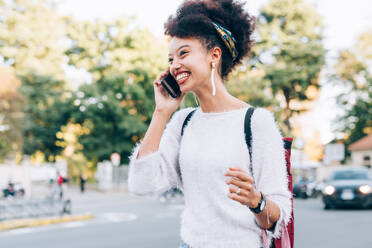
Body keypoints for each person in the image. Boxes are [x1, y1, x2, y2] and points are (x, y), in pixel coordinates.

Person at [128, 1, 291, 247]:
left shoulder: (256, 122)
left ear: (214, 55)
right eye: (171, 58)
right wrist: (161, 113)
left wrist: (256, 200)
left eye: (183, 53)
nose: (174, 66)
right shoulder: (183, 122)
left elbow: (278, 217)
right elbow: (142, 185)